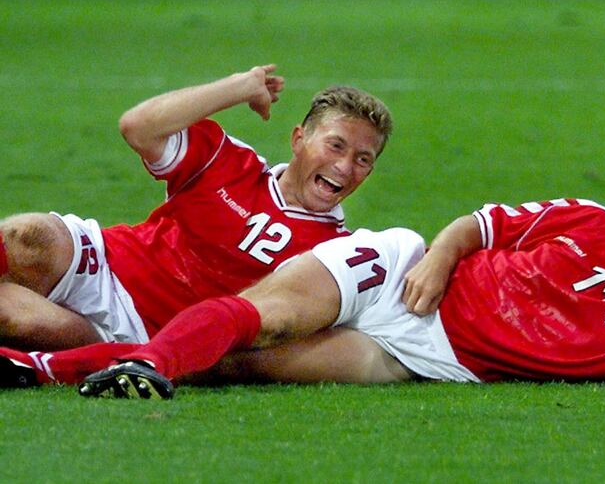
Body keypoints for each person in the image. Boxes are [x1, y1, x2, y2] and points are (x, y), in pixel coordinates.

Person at [1, 144, 605, 396]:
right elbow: (481, 223)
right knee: (261, 313)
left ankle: (35, 367)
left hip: (426, 356)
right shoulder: (592, 222)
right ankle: (105, 361)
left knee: (242, 364)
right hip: (397, 270)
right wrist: (438, 259)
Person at [0, 64, 393, 355]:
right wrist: (241, 86)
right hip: (103, 263)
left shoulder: (334, 255)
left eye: (363, 159)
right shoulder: (229, 161)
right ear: (298, 139)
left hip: (138, 335)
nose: (345, 167)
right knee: (27, 237)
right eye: (336, 145)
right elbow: (138, 126)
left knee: (18, 321)